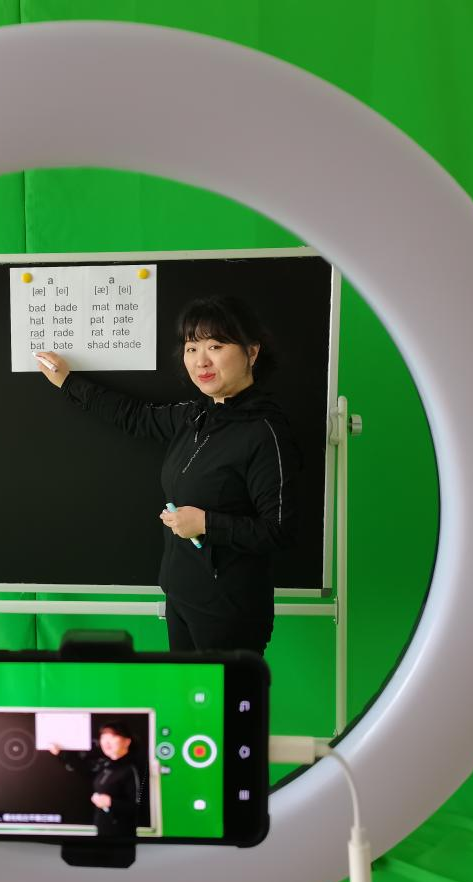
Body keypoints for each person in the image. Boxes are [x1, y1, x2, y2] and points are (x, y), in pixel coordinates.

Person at [37, 295, 299, 653]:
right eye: (192, 348)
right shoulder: (196, 416)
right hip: (181, 598)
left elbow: (279, 531)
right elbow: (135, 415)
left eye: (216, 346)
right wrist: (68, 382)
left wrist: (206, 522)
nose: (201, 360)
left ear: (252, 352)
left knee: (221, 693)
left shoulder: (264, 432)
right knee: (183, 691)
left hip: (227, 612)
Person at [49, 721, 142, 837]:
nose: (106, 742)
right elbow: (84, 768)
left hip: (120, 835)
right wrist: (61, 753)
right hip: (103, 830)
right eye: (103, 737)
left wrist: (110, 802)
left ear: (127, 742)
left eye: (112, 737)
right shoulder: (107, 764)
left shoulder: (131, 769)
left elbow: (137, 808)